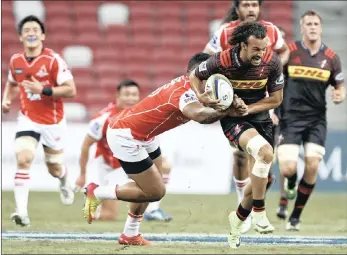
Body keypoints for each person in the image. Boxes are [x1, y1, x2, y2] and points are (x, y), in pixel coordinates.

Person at [83, 52, 248, 246]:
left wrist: (233, 104)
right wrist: (227, 110)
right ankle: (97, 192)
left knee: (152, 186)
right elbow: (200, 116)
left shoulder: (193, 86)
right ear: (200, 74)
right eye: (212, 74)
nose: (217, 79)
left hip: (145, 134)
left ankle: (130, 234)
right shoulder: (184, 92)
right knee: (155, 192)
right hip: (125, 135)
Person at [190, 22, 284, 248]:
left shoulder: (272, 62)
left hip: (259, 116)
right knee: (264, 153)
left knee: (265, 176)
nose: (260, 54)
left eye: (263, 49)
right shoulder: (222, 60)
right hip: (233, 119)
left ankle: (237, 219)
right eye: (255, 49)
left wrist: (249, 109)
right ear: (243, 45)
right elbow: (195, 75)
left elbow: (276, 99)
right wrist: (202, 96)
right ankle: (260, 213)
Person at [1, 15, 77, 227]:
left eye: (35, 29)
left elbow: (71, 90)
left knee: (54, 168)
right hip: (28, 119)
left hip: (53, 122)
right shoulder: (16, 61)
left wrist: (42, 89)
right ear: (20, 36)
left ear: (42, 35)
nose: (31, 33)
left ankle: (63, 180)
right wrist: (6, 100)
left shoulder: (53, 60)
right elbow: (12, 83)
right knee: (23, 158)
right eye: (26, 30)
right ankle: (22, 212)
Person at [276, 10, 345, 230]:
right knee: (287, 169)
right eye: (309, 23)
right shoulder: (291, 52)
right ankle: (290, 184)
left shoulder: (332, 58)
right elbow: (274, 78)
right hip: (290, 118)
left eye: (316, 23)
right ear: (302, 27)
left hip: (316, 119)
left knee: (313, 165)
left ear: (321, 28)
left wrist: (340, 94)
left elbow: (339, 85)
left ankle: (295, 216)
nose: (313, 27)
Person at [75, 80, 172, 221]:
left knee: (165, 166)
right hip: (112, 169)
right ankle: (96, 197)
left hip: (134, 164)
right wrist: (82, 175)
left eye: (134, 95)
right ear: (117, 96)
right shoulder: (103, 118)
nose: (131, 98)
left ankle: (153, 210)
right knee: (109, 216)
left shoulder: (144, 114)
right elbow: (86, 145)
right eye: (126, 94)